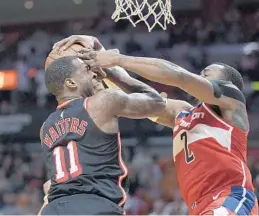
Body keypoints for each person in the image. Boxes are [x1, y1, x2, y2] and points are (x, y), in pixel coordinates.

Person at [56, 36, 258, 215]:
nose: (200, 75)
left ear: (226, 84)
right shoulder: (182, 113)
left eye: (207, 73)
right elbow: (139, 95)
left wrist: (118, 59)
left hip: (231, 197)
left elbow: (179, 76)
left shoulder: (232, 102)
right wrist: (102, 61)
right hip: (200, 207)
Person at [39, 55, 165, 215]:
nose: (94, 73)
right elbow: (157, 102)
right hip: (96, 206)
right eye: (86, 70)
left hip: (54, 210)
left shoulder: (45, 128)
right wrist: (113, 73)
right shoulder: (101, 103)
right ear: (71, 83)